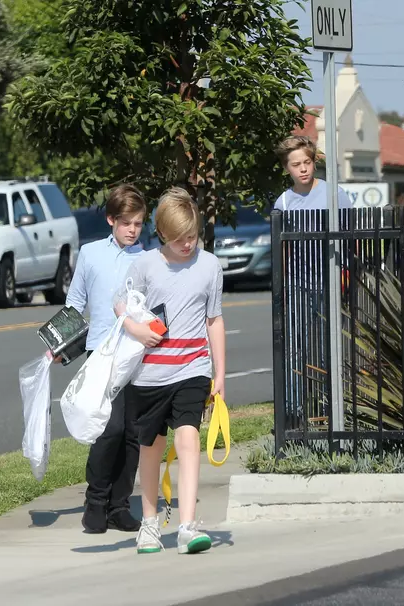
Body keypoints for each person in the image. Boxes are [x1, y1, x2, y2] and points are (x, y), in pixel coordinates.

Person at [120, 187, 225, 555]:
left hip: (192, 369)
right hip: (148, 375)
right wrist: (136, 330)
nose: (187, 245)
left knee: (188, 438)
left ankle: (187, 525)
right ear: (163, 234)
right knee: (150, 448)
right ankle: (149, 524)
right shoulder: (145, 265)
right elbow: (123, 305)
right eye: (180, 239)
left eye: (193, 237)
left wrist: (220, 374)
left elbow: (214, 319)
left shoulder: (210, 266)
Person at [65, 184, 147, 534]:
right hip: (100, 351)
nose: (133, 230)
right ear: (112, 219)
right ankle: (95, 502)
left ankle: (119, 505)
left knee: (132, 432)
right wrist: (58, 345)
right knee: (108, 429)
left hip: (137, 354)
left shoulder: (148, 258)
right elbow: (74, 303)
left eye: (139, 223)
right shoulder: (90, 254)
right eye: (127, 222)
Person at [273, 136, 352, 425]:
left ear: (314, 162)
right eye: (296, 165)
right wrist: (281, 284)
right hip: (297, 283)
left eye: (307, 162)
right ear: (287, 169)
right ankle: (294, 412)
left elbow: (349, 237)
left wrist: (344, 273)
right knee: (295, 348)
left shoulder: (335, 195)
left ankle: (327, 409)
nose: (303, 169)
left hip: (329, 282)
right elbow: (282, 248)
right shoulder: (283, 202)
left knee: (326, 348)